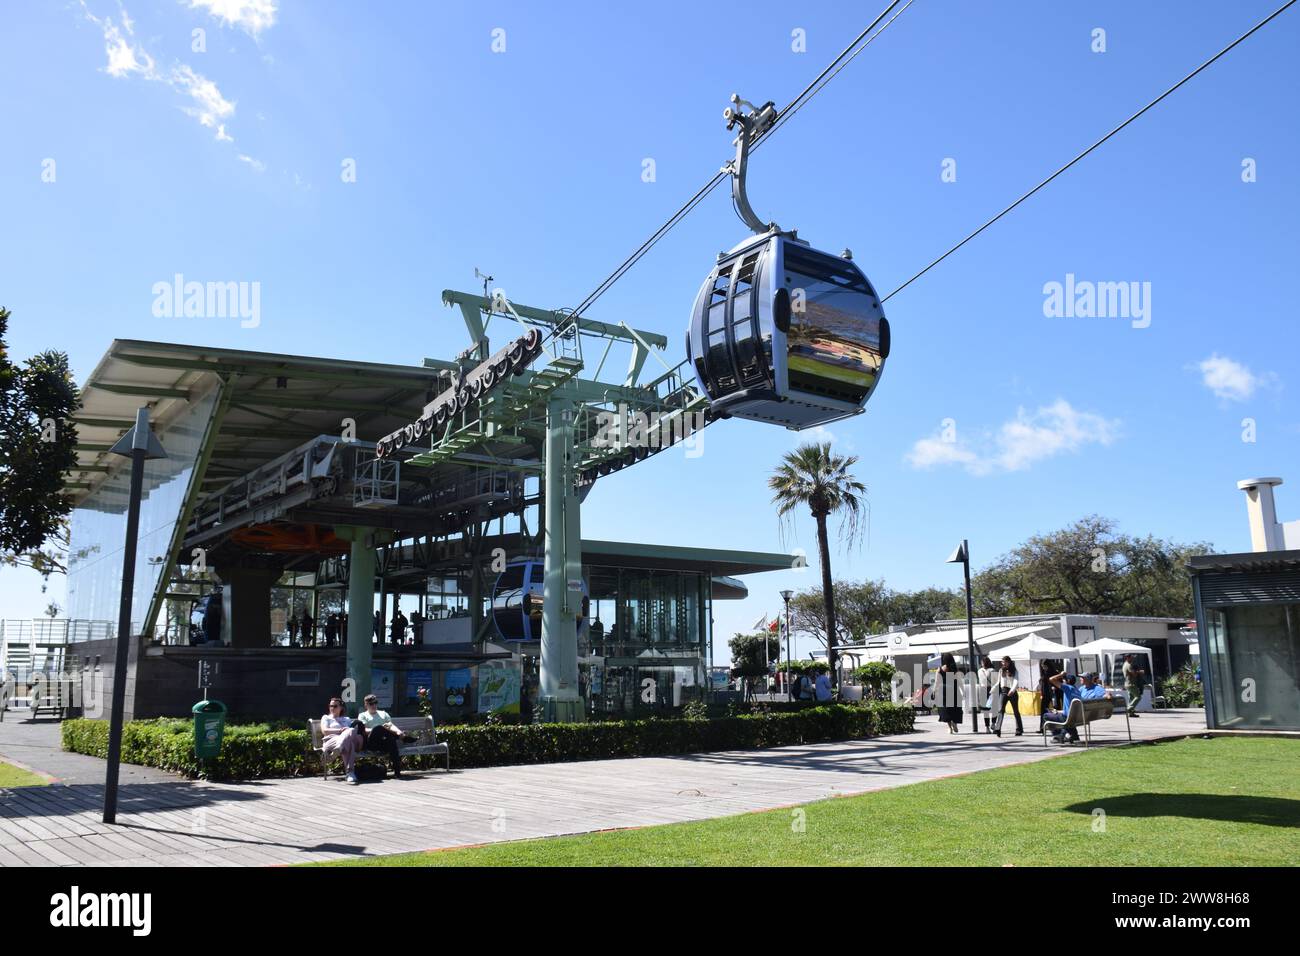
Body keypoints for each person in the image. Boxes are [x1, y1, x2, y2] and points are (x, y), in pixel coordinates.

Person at [355, 693, 414, 777]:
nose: (374, 705)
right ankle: (402, 738)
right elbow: (363, 731)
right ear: (366, 705)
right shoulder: (362, 715)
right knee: (379, 728)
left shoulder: (383, 713)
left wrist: (399, 732)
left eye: (375, 703)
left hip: (383, 743)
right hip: (371, 743)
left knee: (391, 740)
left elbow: (391, 726)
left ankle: (397, 772)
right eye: (371, 704)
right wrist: (380, 729)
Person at [319, 697, 363, 784]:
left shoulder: (347, 719)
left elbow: (351, 734)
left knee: (350, 734)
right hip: (330, 740)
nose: (332, 708)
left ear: (341, 708)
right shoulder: (326, 718)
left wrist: (347, 730)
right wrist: (340, 730)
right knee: (349, 739)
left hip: (344, 742)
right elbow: (325, 731)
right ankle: (350, 773)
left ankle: (340, 747)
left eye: (335, 706)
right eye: (330, 706)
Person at [991, 656, 1023, 737]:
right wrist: (993, 688)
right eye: (1002, 662)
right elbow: (998, 681)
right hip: (1003, 692)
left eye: (1004, 662)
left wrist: (1012, 690)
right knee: (1000, 710)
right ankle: (998, 729)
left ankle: (1019, 729)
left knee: (1016, 711)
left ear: (1009, 662)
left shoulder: (1015, 671)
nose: (1003, 663)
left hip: (1012, 692)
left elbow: (1016, 681)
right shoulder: (1001, 670)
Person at [934, 652, 963, 733]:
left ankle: (950, 728)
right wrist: (963, 691)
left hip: (943, 691)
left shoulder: (939, 669)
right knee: (955, 708)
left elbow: (937, 682)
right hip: (954, 690)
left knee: (946, 709)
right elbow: (959, 681)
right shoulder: (955, 669)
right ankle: (955, 723)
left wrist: (934, 691)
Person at [977, 655, 998, 732]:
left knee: (992, 709)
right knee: (987, 710)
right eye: (982, 662)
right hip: (985, 689)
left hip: (989, 689)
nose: (982, 663)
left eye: (983, 662)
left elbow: (996, 682)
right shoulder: (980, 671)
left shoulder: (992, 670)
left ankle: (991, 725)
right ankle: (989, 726)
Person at [1122, 653, 1147, 718]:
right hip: (1131, 684)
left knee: (1131, 698)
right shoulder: (1129, 665)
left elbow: (1131, 673)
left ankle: (1131, 713)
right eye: (1131, 657)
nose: (1133, 658)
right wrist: (1140, 672)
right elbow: (1134, 674)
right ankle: (1129, 708)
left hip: (1127, 684)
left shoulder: (1124, 664)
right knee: (1138, 697)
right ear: (1128, 658)